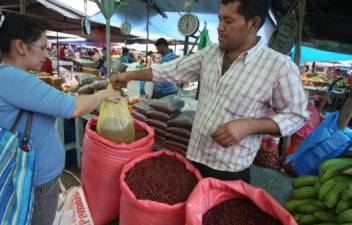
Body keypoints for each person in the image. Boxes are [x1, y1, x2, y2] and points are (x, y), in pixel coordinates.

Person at [112, 0, 309, 183]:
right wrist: (129, 76)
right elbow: (171, 70)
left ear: (253, 24)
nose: (220, 27)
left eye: (228, 21)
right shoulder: (210, 54)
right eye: (220, 19)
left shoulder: (279, 67)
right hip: (194, 155)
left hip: (230, 169)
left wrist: (249, 126)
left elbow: (296, 115)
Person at [0, 6, 121, 225]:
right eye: (42, 47)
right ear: (21, 46)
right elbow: (72, 107)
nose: (46, 54)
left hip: (19, 174)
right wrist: (103, 94)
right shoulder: (12, 78)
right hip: (34, 181)